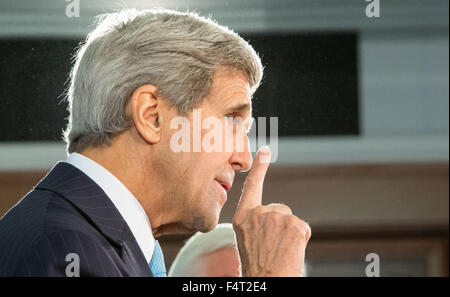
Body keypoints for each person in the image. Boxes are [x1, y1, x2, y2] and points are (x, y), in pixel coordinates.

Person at [0, 8, 311, 277]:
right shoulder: (63, 249)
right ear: (151, 116)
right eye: (231, 120)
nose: (244, 158)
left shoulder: (82, 239)